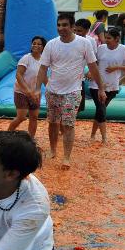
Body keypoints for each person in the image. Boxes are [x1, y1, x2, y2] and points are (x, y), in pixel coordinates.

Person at [34, 13, 106, 167]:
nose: (61, 28)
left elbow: (93, 67)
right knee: (52, 122)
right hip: (52, 90)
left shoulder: (84, 43)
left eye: (65, 25)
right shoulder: (51, 44)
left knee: (68, 124)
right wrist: (36, 89)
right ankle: (53, 150)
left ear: (73, 26)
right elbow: (42, 69)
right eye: (59, 25)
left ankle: (66, 157)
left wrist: (101, 88)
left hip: (73, 91)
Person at [89, 27, 125, 143]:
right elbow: (94, 62)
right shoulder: (100, 48)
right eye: (105, 37)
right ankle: (104, 137)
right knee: (101, 108)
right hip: (96, 84)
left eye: (109, 38)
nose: (106, 40)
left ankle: (92, 135)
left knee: (100, 110)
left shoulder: (123, 49)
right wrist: (90, 71)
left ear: (117, 39)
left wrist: (117, 67)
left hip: (113, 85)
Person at [8, 36, 46, 137]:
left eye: (39, 44)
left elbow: (44, 76)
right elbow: (18, 75)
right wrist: (28, 91)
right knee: (21, 117)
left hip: (35, 92)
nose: (36, 45)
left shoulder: (43, 60)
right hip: (22, 92)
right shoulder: (26, 58)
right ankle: (7, 134)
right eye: (34, 43)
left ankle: (31, 139)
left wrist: (50, 88)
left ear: (43, 47)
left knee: (34, 117)